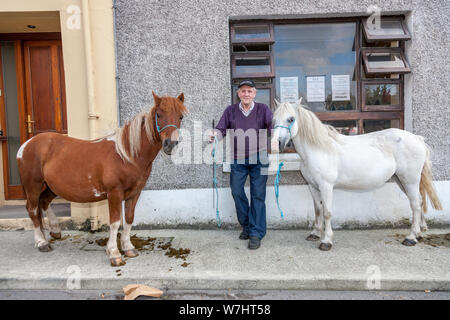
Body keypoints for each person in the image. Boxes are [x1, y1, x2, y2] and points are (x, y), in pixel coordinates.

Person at [209, 80, 273, 250]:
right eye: (243, 91)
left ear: (254, 93)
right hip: (238, 159)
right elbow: (221, 129)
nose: (246, 94)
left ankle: (255, 233)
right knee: (237, 192)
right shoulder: (231, 111)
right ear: (238, 94)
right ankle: (247, 225)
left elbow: (273, 127)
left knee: (258, 195)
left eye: (249, 91)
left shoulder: (263, 109)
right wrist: (214, 134)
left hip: (259, 158)